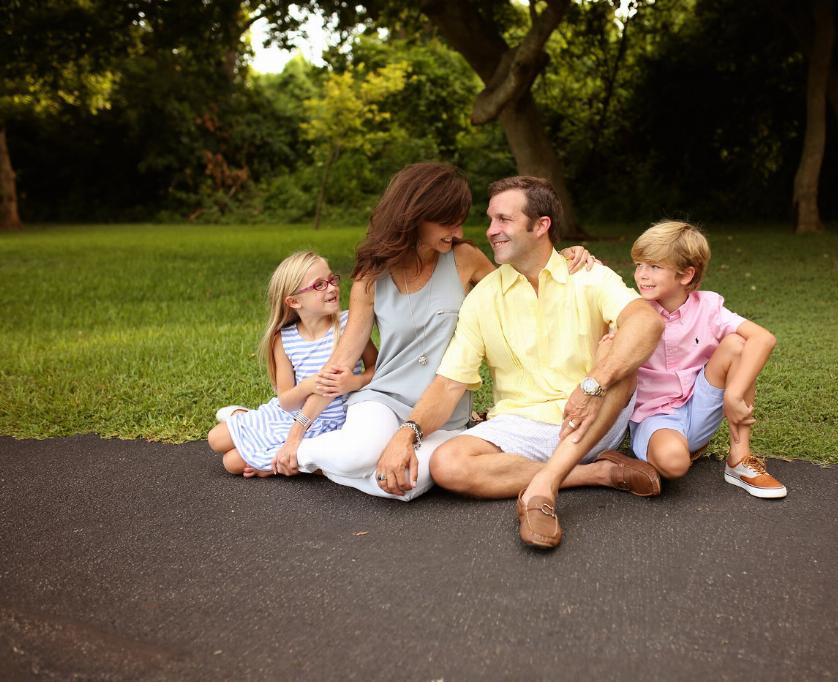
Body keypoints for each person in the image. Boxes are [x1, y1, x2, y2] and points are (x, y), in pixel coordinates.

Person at [271, 163, 595, 501]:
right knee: (358, 455)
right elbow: (339, 364)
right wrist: (295, 436)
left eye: (460, 221)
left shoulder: (464, 259)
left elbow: (521, 287)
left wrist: (565, 258)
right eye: (447, 221)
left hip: (444, 412)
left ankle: (336, 466)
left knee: (405, 489)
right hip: (384, 399)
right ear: (415, 217)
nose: (456, 232)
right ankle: (292, 456)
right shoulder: (371, 278)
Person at [375, 176, 665, 549]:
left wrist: (594, 383)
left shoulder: (588, 276)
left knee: (619, 363)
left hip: (593, 416)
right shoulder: (483, 298)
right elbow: (449, 384)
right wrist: (406, 434)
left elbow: (647, 322)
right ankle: (597, 473)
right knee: (447, 464)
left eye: (504, 220)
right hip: (520, 426)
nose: (491, 231)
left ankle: (541, 490)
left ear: (541, 225)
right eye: (491, 220)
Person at [629, 221, 787, 498]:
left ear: (686, 275)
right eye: (639, 265)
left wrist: (733, 396)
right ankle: (672, 449)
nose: (642, 275)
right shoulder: (633, 311)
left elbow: (764, 338)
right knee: (675, 465)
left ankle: (740, 459)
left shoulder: (708, 307)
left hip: (699, 403)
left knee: (738, 345)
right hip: (655, 416)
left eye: (654, 267)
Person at [207, 251, 378, 476]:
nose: (332, 288)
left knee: (232, 463)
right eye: (319, 285)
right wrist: (309, 385)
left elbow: (377, 369)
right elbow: (286, 401)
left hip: (330, 423)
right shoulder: (285, 339)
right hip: (290, 416)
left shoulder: (348, 325)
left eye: (331, 280)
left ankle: (280, 465)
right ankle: (246, 419)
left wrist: (354, 382)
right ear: (294, 301)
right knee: (215, 438)